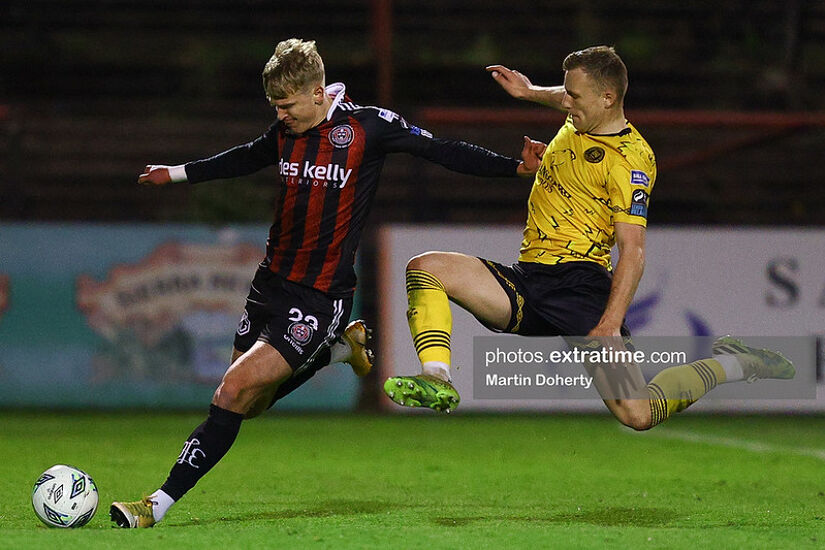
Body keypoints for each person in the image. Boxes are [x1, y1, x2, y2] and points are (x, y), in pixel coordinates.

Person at [110, 38, 539, 528]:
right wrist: (176, 173)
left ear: (318, 92)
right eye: (275, 106)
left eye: (288, 105)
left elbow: (442, 151)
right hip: (269, 285)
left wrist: (514, 168)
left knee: (231, 391)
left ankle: (155, 505)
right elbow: (243, 157)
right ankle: (338, 352)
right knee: (247, 406)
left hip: (320, 297)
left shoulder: (369, 127)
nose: (281, 115)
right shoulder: (286, 130)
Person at [384, 45, 794, 426]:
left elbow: (632, 252)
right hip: (530, 278)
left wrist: (611, 323)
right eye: (567, 92)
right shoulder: (581, 114)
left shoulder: (630, 161)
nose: (566, 100)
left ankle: (733, 363)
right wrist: (528, 92)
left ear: (608, 98)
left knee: (636, 413)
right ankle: (437, 378)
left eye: (574, 96)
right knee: (427, 268)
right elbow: (562, 98)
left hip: (582, 288)